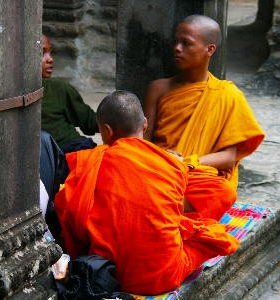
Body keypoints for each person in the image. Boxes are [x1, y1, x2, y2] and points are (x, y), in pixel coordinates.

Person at [54, 91, 240, 295]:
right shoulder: (170, 162)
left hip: (106, 272)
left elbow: (68, 214)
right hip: (163, 277)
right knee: (213, 234)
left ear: (107, 131)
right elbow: (216, 193)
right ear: (144, 125)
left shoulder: (88, 162)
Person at [143, 15, 265, 221]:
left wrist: (187, 162)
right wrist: (164, 160)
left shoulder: (227, 94)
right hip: (161, 169)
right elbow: (143, 140)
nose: (177, 48)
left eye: (186, 43)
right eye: (176, 41)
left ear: (209, 50)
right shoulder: (158, 88)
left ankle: (156, 208)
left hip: (197, 174)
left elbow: (228, 158)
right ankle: (164, 208)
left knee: (224, 193)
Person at [41, 34, 98, 154]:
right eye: (41, 53)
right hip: (72, 152)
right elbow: (91, 122)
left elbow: (91, 122)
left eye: (50, 52)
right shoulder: (59, 90)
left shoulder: (59, 90)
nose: (50, 59)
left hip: (76, 150)